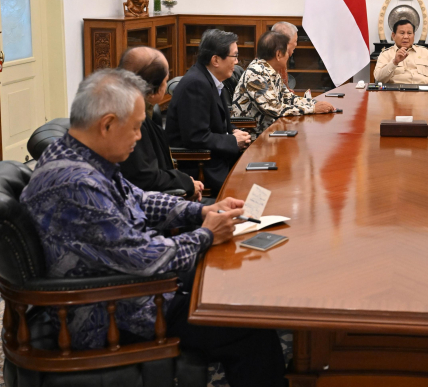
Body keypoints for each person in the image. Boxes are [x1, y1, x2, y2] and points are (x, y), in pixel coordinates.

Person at [20, 69, 285, 387]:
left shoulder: (79, 154)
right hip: (114, 307)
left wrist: (200, 212)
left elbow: (139, 199)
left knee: (238, 283)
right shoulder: (76, 183)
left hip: (127, 284)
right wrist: (206, 234)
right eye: (134, 128)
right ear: (107, 124)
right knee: (249, 325)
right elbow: (143, 258)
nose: (137, 136)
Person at [166, 29, 251, 194]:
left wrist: (234, 131)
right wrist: (232, 141)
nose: (237, 61)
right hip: (204, 167)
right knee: (256, 185)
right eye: (234, 56)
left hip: (217, 158)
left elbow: (214, 120)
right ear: (216, 60)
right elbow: (196, 137)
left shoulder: (209, 79)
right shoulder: (196, 85)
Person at [118, 47, 204, 200]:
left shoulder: (135, 109)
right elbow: (145, 177)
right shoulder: (130, 119)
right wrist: (186, 184)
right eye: (165, 81)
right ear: (151, 88)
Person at [232, 31, 335, 140]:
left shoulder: (269, 70)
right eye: (287, 52)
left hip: (272, 130)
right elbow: (273, 108)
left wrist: (315, 103)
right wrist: (312, 108)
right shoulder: (256, 73)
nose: (289, 55)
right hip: (254, 136)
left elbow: (288, 98)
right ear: (278, 54)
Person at [374, 19, 428, 85]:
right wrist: (394, 62)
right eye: (402, 33)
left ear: (414, 35)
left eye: (409, 33)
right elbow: (379, 78)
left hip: (422, 93)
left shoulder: (425, 52)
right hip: (396, 93)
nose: (406, 37)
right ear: (393, 35)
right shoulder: (385, 54)